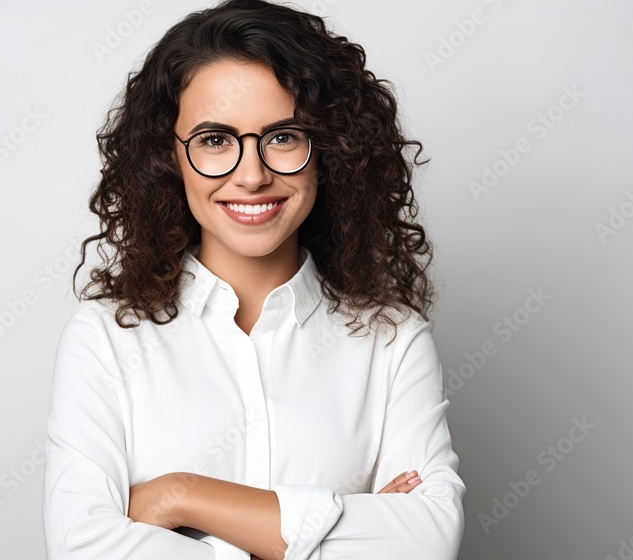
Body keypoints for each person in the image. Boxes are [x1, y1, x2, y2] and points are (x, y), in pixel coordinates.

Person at [42, 0, 465, 558]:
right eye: (215, 140)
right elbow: (82, 550)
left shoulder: (391, 339)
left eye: (284, 136)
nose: (252, 175)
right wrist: (330, 533)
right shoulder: (106, 339)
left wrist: (181, 496)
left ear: (329, 151)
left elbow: (428, 544)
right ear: (169, 157)